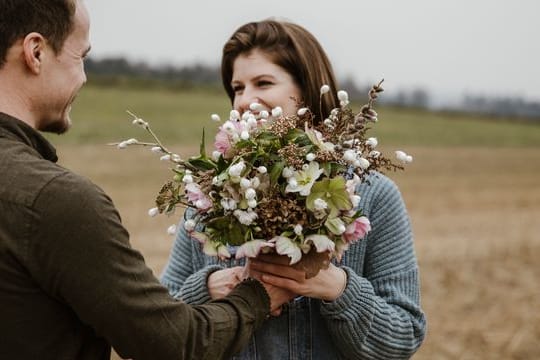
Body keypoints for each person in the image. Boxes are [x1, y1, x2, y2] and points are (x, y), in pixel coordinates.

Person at [0, 2, 293, 359]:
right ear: (36, 52)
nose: (84, 77)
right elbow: (175, 343)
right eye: (81, 57)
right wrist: (258, 293)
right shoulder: (53, 200)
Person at [161, 19, 427, 359]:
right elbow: (162, 328)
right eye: (238, 88)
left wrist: (337, 288)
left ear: (307, 90)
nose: (244, 101)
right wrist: (209, 287)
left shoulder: (373, 194)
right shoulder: (210, 197)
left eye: (263, 83)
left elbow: (403, 337)